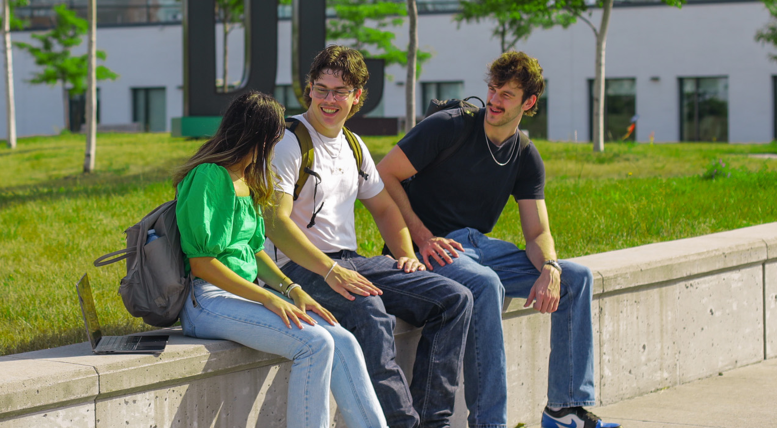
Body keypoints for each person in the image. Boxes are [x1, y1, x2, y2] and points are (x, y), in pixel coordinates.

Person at [376, 51, 619, 428]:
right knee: (486, 285)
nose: (494, 100)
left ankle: (565, 410)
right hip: (431, 247)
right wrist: (421, 237)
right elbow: (384, 175)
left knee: (576, 278)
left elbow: (537, 232)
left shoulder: (524, 154)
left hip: (477, 247)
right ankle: (490, 422)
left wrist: (551, 268)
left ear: (529, 102)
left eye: (506, 94)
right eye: (492, 89)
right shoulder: (449, 126)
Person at [263, 45, 473, 428]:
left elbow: (386, 209)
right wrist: (329, 271)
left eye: (340, 91)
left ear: (357, 96)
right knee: (368, 310)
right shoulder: (289, 141)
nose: (329, 100)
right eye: (321, 89)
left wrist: (406, 253)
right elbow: (275, 224)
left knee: (454, 299)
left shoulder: (354, 146)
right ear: (309, 89)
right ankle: (401, 423)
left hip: (351, 261)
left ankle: (434, 421)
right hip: (296, 267)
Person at [174, 91, 388, 428]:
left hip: (240, 296)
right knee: (315, 344)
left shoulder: (248, 179)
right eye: (276, 138)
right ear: (260, 137)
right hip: (208, 301)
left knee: (342, 338)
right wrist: (269, 300)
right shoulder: (209, 177)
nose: (279, 146)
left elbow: (255, 250)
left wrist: (291, 289)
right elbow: (202, 263)